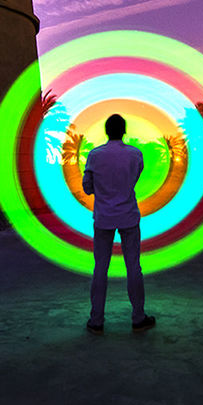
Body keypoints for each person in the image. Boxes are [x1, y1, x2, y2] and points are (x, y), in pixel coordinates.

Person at [81, 114, 156, 334]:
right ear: (124, 131)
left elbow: (87, 187)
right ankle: (138, 317)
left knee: (100, 268)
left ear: (106, 131)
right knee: (133, 266)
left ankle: (96, 320)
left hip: (103, 218)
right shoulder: (135, 155)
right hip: (128, 216)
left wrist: (101, 188)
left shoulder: (94, 156)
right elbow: (134, 178)